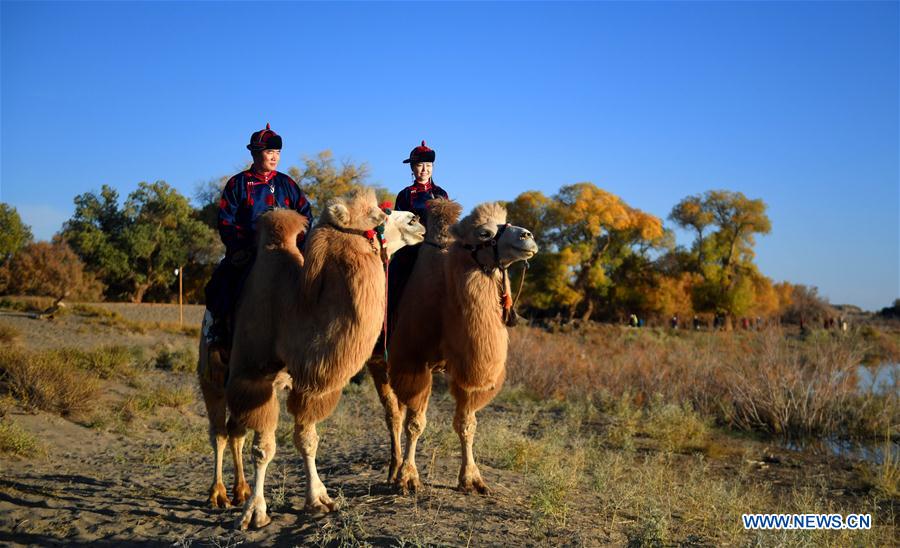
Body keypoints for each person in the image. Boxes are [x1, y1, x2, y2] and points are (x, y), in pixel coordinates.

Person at [203, 123, 313, 348]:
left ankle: (311, 336)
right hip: (249, 252)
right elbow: (226, 220)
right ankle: (217, 330)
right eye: (269, 152)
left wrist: (299, 246)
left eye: (278, 153)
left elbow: (306, 216)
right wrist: (238, 249)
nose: (274, 158)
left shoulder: (288, 184)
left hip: (287, 252)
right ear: (255, 153)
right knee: (219, 283)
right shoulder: (238, 184)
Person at [383, 141, 449, 346]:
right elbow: (399, 225)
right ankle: (386, 334)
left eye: (428, 166)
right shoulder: (405, 195)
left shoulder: (441, 194)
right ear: (412, 168)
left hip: (436, 250)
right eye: (420, 165)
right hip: (410, 250)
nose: (424, 170)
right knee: (390, 283)